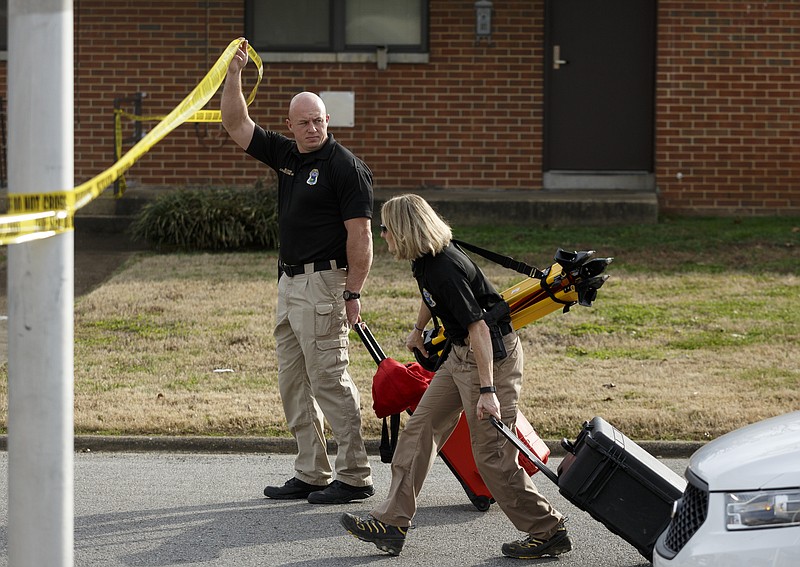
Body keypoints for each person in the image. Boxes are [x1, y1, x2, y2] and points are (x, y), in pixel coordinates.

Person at [340, 194, 572, 559]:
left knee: (492, 457)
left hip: (490, 359)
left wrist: (487, 391)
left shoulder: (442, 266)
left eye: (386, 228)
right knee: (419, 432)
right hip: (460, 356)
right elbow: (433, 298)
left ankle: (547, 529)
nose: (382, 235)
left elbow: (478, 327)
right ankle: (393, 522)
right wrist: (419, 329)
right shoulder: (425, 260)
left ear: (403, 230)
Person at [221, 39, 374, 505]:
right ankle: (312, 472)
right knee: (293, 381)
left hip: (326, 284)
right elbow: (236, 123)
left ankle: (355, 475)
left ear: (328, 121)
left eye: (318, 120)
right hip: (289, 283)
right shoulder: (288, 156)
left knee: (329, 378)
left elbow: (361, 237)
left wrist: (352, 293)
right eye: (303, 122)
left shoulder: (345, 168)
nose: (311, 128)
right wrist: (233, 75)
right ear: (290, 125)